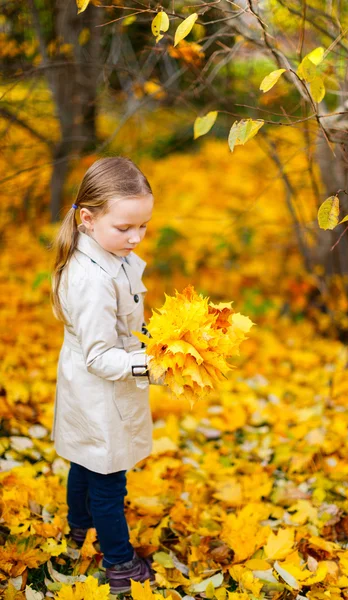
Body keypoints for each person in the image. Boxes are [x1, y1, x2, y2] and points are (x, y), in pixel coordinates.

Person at [50, 156, 163, 595]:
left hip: (92, 387)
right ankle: (119, 563)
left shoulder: (109, 253)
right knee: (108, 477)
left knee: (86, 458)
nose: (136, 238)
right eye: (125, 228)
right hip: (98, 388)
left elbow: (124, 321)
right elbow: (100, 356)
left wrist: (157, 336)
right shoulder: (90, 278)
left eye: (144, 226)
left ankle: (78, 533)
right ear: (88, 218)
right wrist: (151, 364)